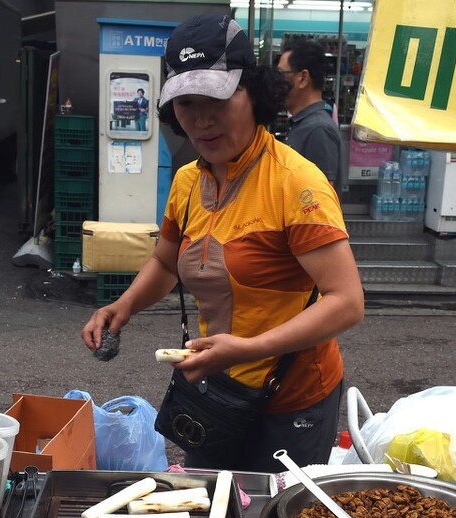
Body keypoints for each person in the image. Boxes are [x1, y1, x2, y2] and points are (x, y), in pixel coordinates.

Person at [81, 13, 364, 472]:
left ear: (254, 92)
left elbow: (347, 302)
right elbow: (167, 261)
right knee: (212, 509)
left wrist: (249, 349)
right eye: (186, 103)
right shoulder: (188, 181)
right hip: (216, 386)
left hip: (291, 398)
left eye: (218, 96)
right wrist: (124, 306)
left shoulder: (296, 183)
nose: (202, 119)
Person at [277, 38, 341, 183]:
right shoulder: (302, 123)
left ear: (303, 78)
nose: (277, 82)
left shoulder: (318, 129)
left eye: (281, 74)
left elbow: (320, 197)